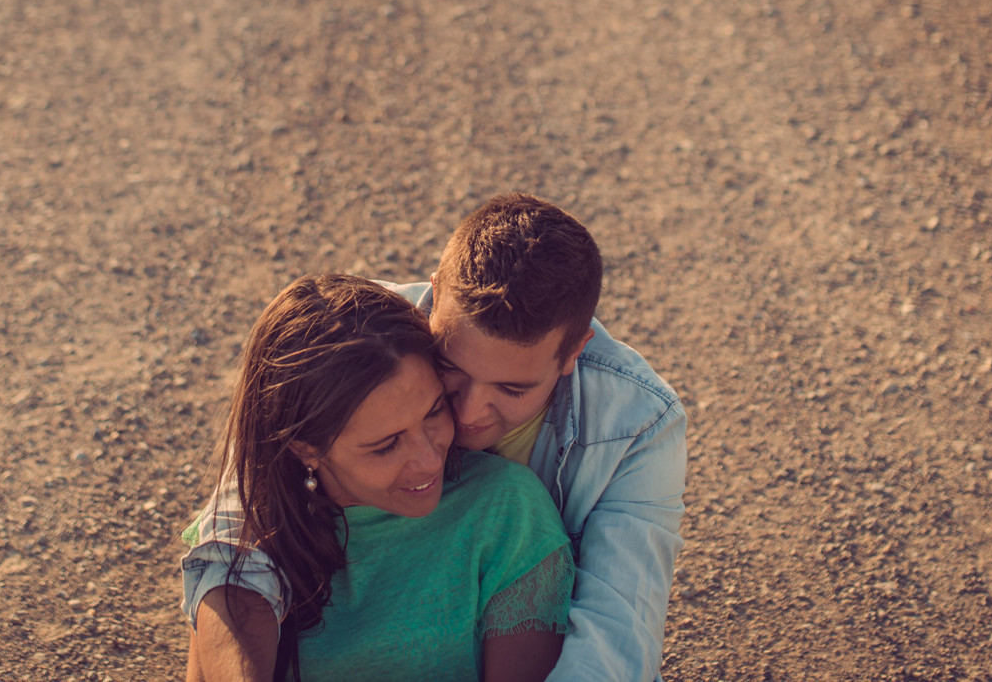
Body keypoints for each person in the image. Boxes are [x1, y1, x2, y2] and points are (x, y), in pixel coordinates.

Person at [184, 194, 687, 682]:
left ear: (575, 350)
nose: (465, 415)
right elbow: (239, 529)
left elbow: (618, 636)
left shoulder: (636, 424)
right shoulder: (361, 336)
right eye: (448, 368)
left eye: (512, 389)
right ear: (434, 298)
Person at [183, 273, 573, 682]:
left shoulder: (508, 512)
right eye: (386, 445)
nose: (427, 460)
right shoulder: (246, 532)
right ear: (305, 447)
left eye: (435, 411)